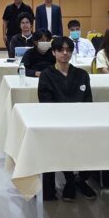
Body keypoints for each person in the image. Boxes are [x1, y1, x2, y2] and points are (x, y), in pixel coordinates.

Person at [38, 36, 96, 202]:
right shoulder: (47, 75)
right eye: (61, 50)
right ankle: (70, 179)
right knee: (63, 142)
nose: (65, 53)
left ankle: (81, 178)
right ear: (54, 52)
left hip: (80, 121)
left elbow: (88, 101)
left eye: (68, 50)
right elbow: (46, 103)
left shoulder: (81, 74)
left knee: (94, 140)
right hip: (57, 122)